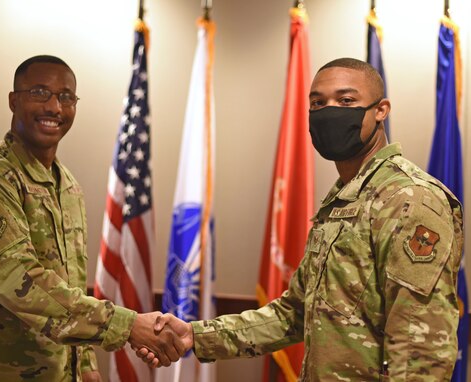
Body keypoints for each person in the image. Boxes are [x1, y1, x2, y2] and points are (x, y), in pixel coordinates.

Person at [140, 58, 464, 381]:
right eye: (318, 103)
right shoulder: (342, 200)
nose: (330, 111)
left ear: (381, 110)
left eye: (346, 101)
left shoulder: (409, 199)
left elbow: (421, 349)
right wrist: (195, 336)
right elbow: (293, 313)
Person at [0, 55, 183, 382]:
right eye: (39, 92)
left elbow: (70, 285)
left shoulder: (67, 185)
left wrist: (85, 366)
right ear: (13, 101)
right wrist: (127, 326)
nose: (54, 107)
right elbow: (17, 280)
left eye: (66, 97)